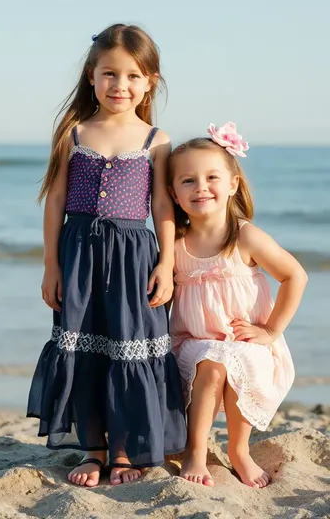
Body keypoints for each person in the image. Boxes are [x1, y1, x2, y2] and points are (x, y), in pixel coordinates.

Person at [27, 24, 186, 488]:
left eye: (133, 76)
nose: (121, 86)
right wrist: (51, 266)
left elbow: (162, 205)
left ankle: (123, 451)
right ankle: (93, 450)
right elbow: (55, 200)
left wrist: (167, 264)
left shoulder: (156, 139)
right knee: (84, 345)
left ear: (150, 81)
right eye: (110, 74)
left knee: (128, 347)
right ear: (91, 76)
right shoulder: (74, 133)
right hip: (78, 257)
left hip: (135, 256)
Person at [168, 122, 307, 488]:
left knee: (233, 359)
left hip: (247, 341)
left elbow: (295, 276)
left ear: (232, 184)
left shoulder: (243, 235)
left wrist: (271, 331)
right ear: (173, 193)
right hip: (193, 343)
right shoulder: (177, 243)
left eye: (212, 177)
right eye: (188, 181)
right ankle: (195, 451)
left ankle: (239, 449)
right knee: (212, 362)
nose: (201, 187)